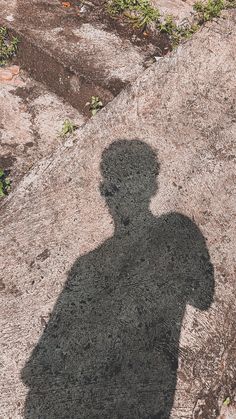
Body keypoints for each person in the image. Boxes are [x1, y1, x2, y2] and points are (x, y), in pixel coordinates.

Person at [21, 140, 214, 419]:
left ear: (105, 192)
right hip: (149, 396)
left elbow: (37, 370)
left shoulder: (86, 267)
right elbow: (203, 298)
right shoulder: (179, 230)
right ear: (153, 187)